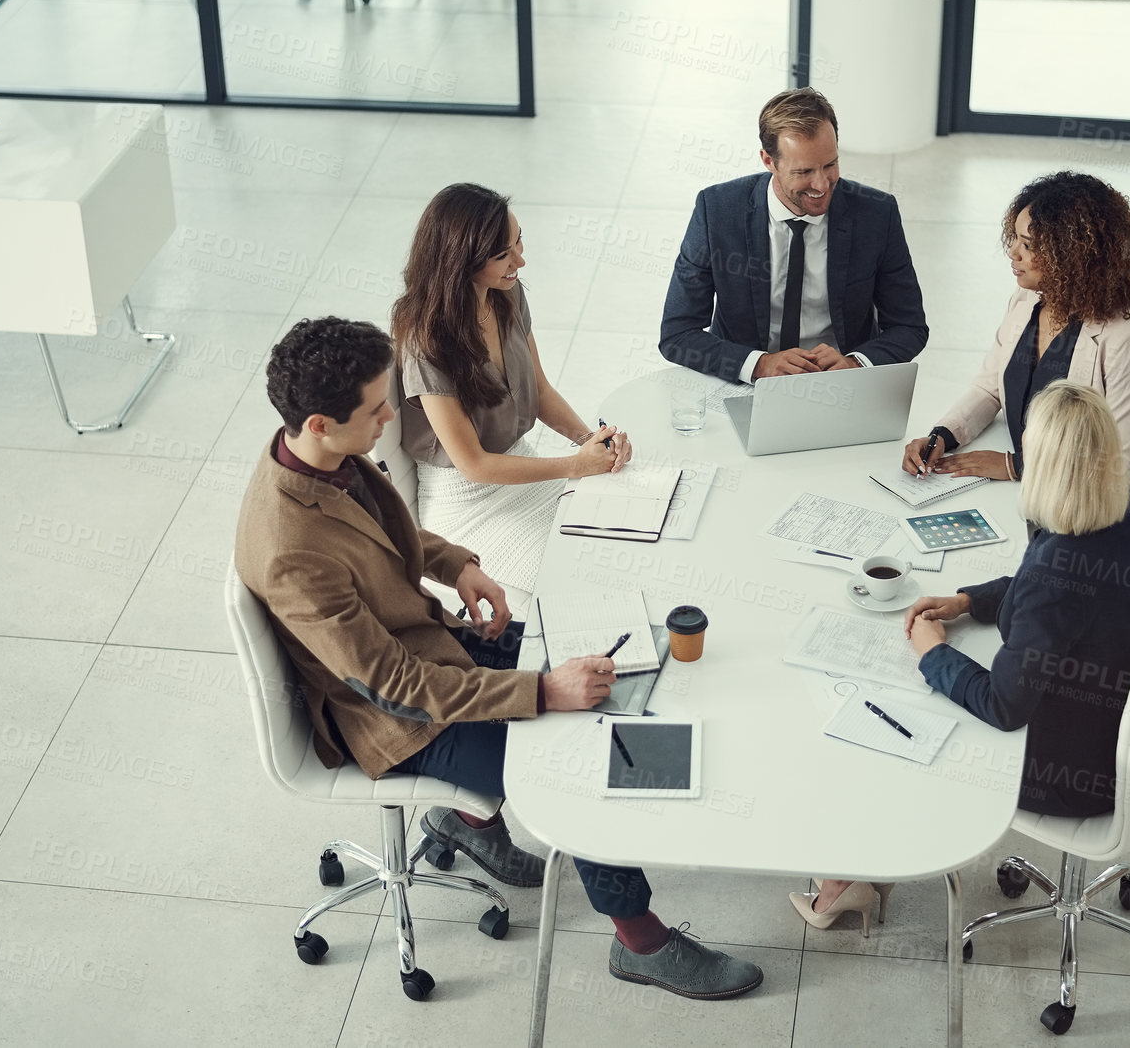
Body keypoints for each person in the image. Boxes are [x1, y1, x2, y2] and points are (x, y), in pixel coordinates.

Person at [234, 317, 763, 1001]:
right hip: (402, 720)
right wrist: (540, 692)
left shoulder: (317, 452)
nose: (390, 418)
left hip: (433, 648)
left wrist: (458, 564)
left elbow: (381, 528)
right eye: (374, 411)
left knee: (597, 648)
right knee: (582, 769)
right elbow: (393, 686)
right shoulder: (289, 546)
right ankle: (641, 941)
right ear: (316, 421)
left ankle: (469, 817)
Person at [795, 381, 1130, 928]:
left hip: (1068, 771)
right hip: (1117, 727)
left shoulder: (1056, 574)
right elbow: (1044, 588)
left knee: (887, 712)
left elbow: (1004, 705)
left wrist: (932, 654)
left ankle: (847, 878)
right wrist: (970, 601)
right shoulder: (1120, 509)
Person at [903, 171, 1130, 572]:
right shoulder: (1027, 299)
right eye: (1015, 238)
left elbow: (1117, 464)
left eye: (1028, 245)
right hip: (1031, 497)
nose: (1013, 252)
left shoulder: (1125, 341)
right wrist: (944, 434)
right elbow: (990, 385)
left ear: (1073, 256)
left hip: (1096, 521)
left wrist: (1016, 466)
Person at [391, 183, 631, 595]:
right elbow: (474, 465)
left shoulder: (505, 293)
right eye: (502, 255)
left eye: (518, 240)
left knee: (617, 540)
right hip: (466, 500)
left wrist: (593, 441)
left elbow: (539, 390)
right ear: (459, 262)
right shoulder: (426, 342)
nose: (520, 259)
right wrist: (575, 465)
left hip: (520, 467)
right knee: (574, 578)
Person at [659, 87, 928, 382]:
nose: (822, 184)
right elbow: (677, 334)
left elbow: (909, 326)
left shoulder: (877, 214)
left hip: (842, 385)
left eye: (830, 165)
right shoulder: (717, 211)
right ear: (768, 161)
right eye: (804, 172)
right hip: (746, 383)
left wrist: (855, 364)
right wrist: (759, 365)